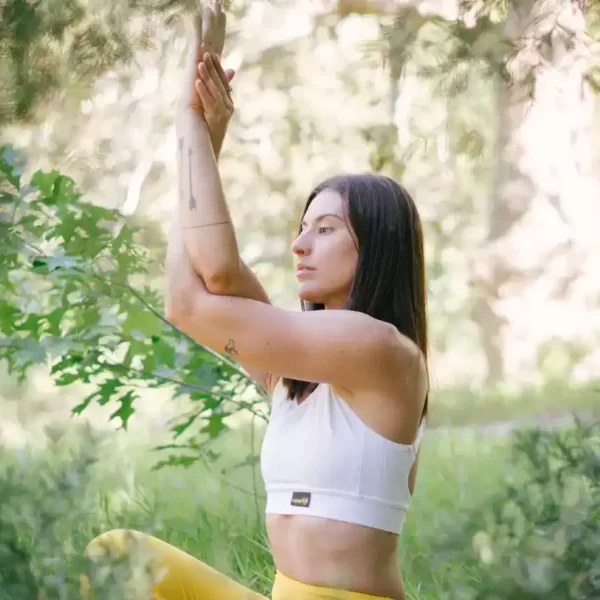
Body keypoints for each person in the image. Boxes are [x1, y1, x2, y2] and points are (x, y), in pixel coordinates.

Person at [83, 2, 429, 599]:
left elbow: (191, 298)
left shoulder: (378, 349)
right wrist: (204, 144)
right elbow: (203, 281)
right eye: (301, 227)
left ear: (377, 246)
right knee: (119, 559)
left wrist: (187, 119)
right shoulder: (294, 375)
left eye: (325, 229)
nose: (299, 244)